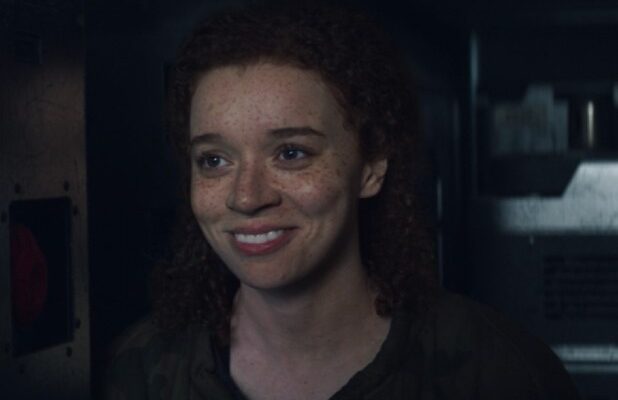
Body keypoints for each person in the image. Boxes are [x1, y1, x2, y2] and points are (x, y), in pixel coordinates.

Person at [105, 4, 580, 400]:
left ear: (371, 167)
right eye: (213, 160)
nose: (246, 196)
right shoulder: (142, 373)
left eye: (291, 153)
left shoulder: (498, 374)